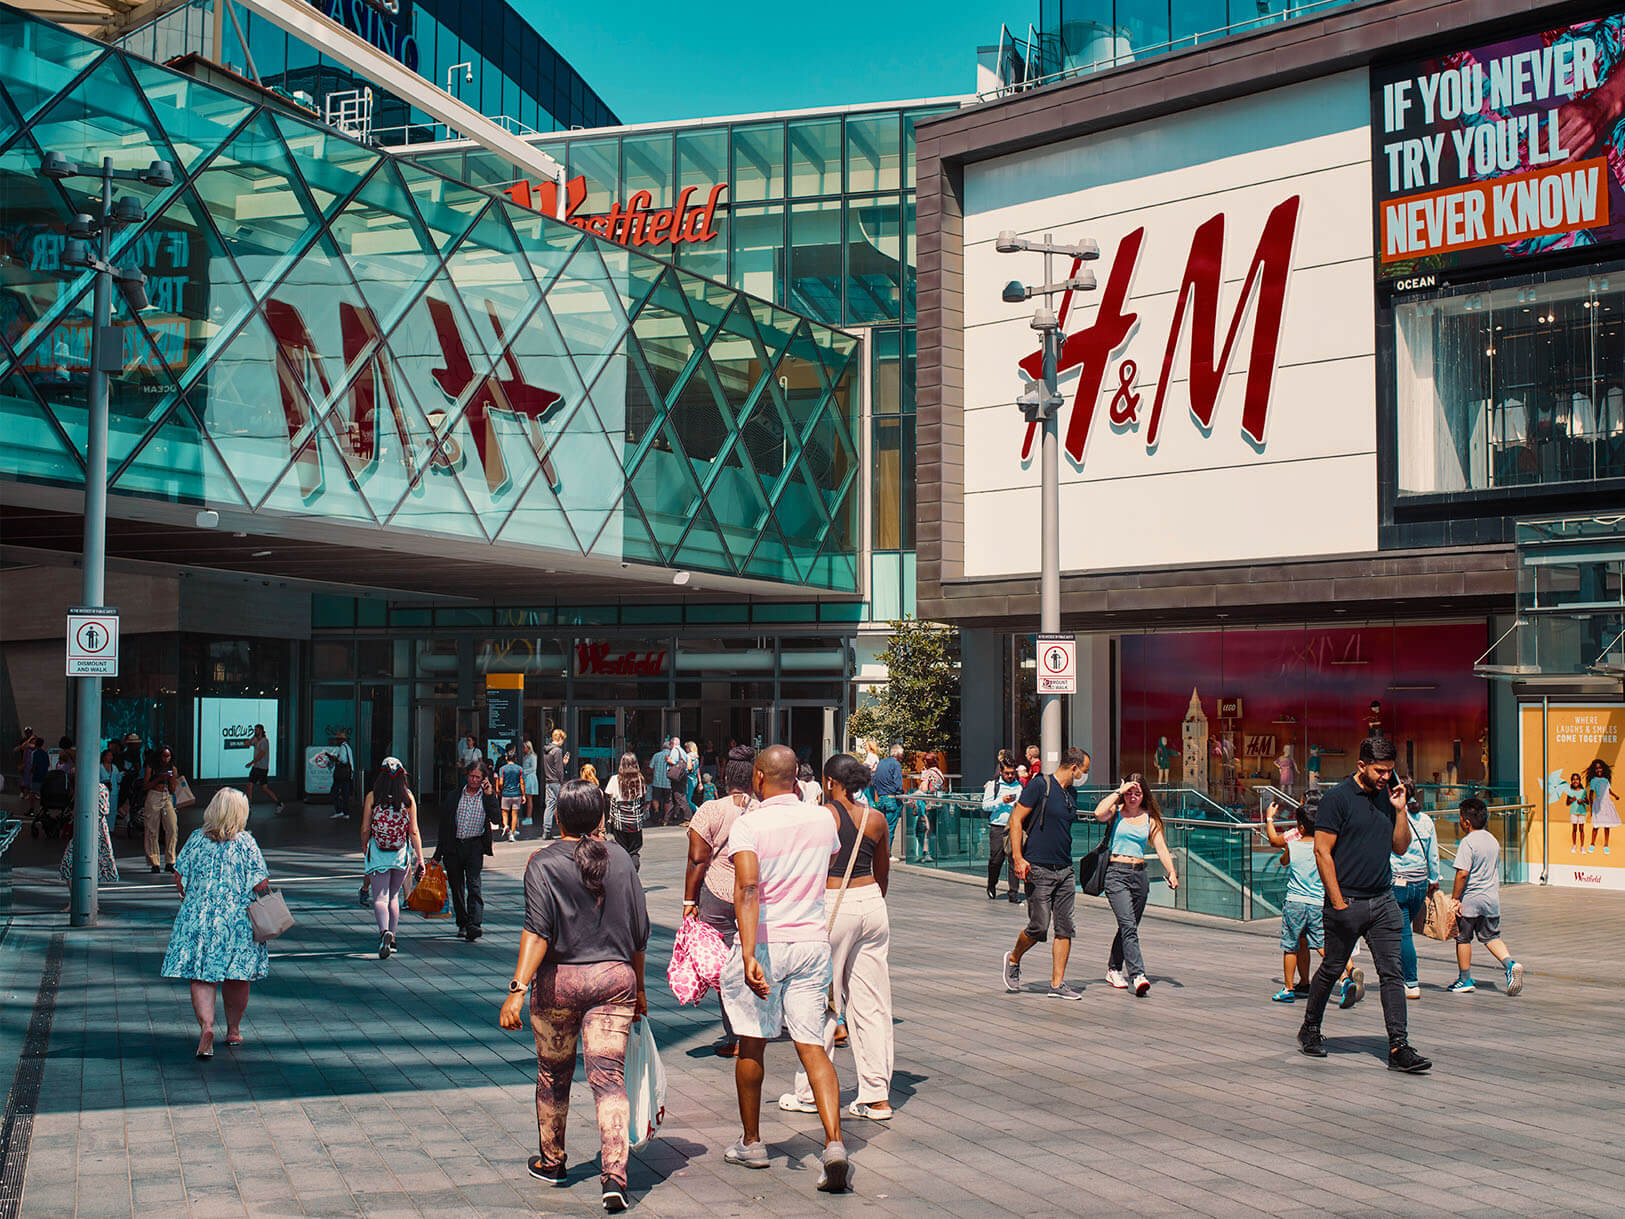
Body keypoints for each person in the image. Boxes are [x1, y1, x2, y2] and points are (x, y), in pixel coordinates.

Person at [499, 780, 649, 1213]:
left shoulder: (542, 863)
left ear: (558, 818)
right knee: (608, 1079)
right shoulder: (620, 858)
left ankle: (552, 1161)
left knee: (553, 1076)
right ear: (602, 818)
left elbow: (537, 932)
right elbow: (639, 935)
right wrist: (639, 990)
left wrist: (516, 989)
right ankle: (615, 1176)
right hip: (614, 981)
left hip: (558, 984)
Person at [721, 744, 850, 1192]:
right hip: (812, 942)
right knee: (812, 1045)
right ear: (795, 778)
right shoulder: (822, 818)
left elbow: (749, 887)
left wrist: (751, 952)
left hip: (769, 945)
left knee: (752, 1044)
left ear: (758, 778)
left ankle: (752, 1143)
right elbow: (827, 863)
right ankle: (834, 1145)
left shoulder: (749, 824)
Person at [1295, 736, 1432, 1074]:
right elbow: (1322, 852)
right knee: (1332, 967)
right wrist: (1339, 903)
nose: (1386, 777)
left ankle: (1399, 1046)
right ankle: (1310, 1028)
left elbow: (1400, 848)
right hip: (1348, 902)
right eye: (1379, 770)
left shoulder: (1389, 799)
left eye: (1389, 771)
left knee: (1392, 973)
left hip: (1384, 899)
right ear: (1361, 766)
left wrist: (1400, 811)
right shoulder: (1337, 800)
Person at [781, 753, 893, 1121]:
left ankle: (811, 1092)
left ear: (829, 782)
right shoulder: (875, 818)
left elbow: (806, 867)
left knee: (821, 999)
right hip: (872, 904)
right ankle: (876, 1096)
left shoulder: (820, 816)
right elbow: (882, 871)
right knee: (872, 1003)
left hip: (832, 904)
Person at [160, 788, 271, 1059]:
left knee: (201, 977)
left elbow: (180, 877)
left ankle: (207, 1026)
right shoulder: (246, 843)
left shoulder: (196, 839)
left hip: (199, 919)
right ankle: (233, 1030)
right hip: (237, 921)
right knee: (237, 976)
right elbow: (260, 883)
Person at [1000, 748, 1092, 1000]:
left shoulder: (1070, 793)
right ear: (1073, 768)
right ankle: (1014, 958)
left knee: (1065, 928)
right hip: (1037, 867)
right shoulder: (1039, 785)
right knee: (1039, 926)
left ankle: (1057, 984)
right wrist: (1019, 858)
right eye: (1084, 771)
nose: (1085, 776)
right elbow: (1016, 819)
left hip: (1065, 869)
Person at [685, 743, 756, 1058]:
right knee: (753, 960)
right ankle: (757, 1028)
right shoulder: (762, 811)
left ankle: (736, 1034)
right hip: (754, 895)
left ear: (726, 775)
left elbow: (698, 860)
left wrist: (689, 901)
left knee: (724, 970)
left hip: (715, 894)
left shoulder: (711, 810)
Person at [1090, 773, 1179, 995]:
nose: (1133, 797)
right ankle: (1138, 974)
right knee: (1128, 925)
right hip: (1116, 875)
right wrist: (1119, 791)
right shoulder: (1115, 814)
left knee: (1128, 926)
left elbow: (1161, 848)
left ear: (1144, 795)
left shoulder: (1151, 819)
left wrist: (1172, 872)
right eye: (1129, 792)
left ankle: (1113, 968)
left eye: (1137, 793)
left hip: (1139, 876)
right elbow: (1098, 812)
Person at [1449, 797, 1525, 996]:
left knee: (1463, 938)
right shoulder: (1493, 840)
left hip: (1470, 901)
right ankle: (1510, 964)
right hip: (1491, 899)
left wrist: (1455, 898)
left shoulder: (1467, 843)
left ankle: (1465, 979)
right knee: (1491, 937)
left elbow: (1462, 873)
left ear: (1466, 822)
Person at [361, 758, 426, 958]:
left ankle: (383, 933)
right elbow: (413, 831)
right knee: (394, 897)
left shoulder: (373, 797)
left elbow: (365, 828)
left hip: (378, 853)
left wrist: (365, 848)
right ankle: (394, 937)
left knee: (379, 898)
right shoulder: (408, 798)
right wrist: (420, 859)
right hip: (400, 854)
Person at [1264, 799, 1324, 1002]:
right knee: (1322, 945)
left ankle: (1288, 988)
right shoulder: (1325, 847)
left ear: (1300, 827)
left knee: (1291, 945)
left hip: (1295, 902)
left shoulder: (1293, 843)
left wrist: (1269, 818)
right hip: (1318, 902)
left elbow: (1280, 854)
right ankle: (1345, 977)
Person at [1390, 779, 1440, 1000]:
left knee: (1403, 935)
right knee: (1403, 931)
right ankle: (1401, 975)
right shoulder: (1426, 820)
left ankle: (1410, 981)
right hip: (1420, 883)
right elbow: (1433, 853)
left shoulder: (1394, 817)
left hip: (1398, 882)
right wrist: (1434, 879)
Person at [434, 761, 494, 943]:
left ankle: (475, 924)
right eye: (471, 776)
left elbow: (497, 817)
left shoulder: (486, 797)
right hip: (454, 846)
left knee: (474, 885)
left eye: (478, 777)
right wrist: (438, 854)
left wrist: (491, 796)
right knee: (457, 886)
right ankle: (462, 922)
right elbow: (444, 826)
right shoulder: (454, 796)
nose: (474, 780)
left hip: (474, 846)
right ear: (466, 776)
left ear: (484, 779)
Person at [59, 773, 119, 888]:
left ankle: (82, 899)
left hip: (91, 830)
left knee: (71, 862)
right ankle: (87, 899)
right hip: (94, 830)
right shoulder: (97, 788)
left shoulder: (94, 789)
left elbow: (103, 809)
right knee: (88, 864)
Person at [983, 756, 1024, 902]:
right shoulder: (993, 786)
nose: (1010, 776)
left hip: (1014, 826)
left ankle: (1013, 892)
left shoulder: (1019, 786)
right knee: (996, 859)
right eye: (1007, 773)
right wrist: (1001, 801)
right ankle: (991, 884)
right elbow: (985, 806)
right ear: (1001, 771)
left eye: (1012, 773)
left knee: (1014, 859)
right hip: (998, 827)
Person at [604, 752, 648, 871]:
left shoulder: (615, 779)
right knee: (634, 851)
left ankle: (623, 875)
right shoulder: (640, 780)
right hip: (635, 822)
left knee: (621, 850)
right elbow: (643, 798)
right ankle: (634, 873)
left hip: (619, 821)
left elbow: (610, 797)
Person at [143, 746, 181, 873]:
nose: (166, 759)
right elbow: (145, 786)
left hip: (167, 797)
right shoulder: (151, 767)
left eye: (168, 756)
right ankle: (154, 861)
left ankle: (170, 860)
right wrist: (159, 778)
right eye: (164, 756)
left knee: (172, 828)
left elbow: (173, 789)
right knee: (151, 829)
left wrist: (170, 779)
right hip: (154, 795)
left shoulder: (172, 768)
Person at [871, 744, 905, 863]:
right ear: (898, 754)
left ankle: (878, 852)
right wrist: (900, 793)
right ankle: (887, 854)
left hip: (881, 798)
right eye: (902, 754)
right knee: (890, 828)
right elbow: (898, 783)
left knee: (882, 828)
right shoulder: (896, 764)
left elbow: (874, 779)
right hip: (892, 797)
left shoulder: (881, 762)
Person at [913, 751, 945, 863]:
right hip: (937, 803)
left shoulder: (927, 773)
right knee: (931, 829)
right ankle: (931, 852)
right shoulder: (939, 772)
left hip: (927, 804)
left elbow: (924, 788)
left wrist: (915, 794)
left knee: (924, 829)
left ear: (926, 762)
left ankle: (925, 853)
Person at [244, 724, 284, 814]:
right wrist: (252, 738)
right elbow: (246, 744)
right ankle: (249, 806)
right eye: (255, 730)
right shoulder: (255, 740)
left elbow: (261, 754)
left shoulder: (264, 741)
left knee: (264, 788)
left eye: (257, 730)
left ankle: (279, 803)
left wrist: (251, 762)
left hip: (262, 768)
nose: (255, 731)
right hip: (256, 767)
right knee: (249, 785)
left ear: (261, 731)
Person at [1587, 758, 1619, 854]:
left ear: (1603, 769)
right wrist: (1592, 807)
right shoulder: (1593, 780)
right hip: (1598, 805)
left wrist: (1614, 795)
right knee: (1596, 826)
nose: (1599, 770)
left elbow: (1609, 790)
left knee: (1607, 826)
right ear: (1594, 770)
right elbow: (1591, 794)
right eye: (1596, 768)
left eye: (1600, 768)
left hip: (1607, 804)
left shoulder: (1606, 780)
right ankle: (1592, 844)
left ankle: (1606, 845)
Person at [542, 729, 569, 838]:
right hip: (556, 781)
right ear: (560, 739)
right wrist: (564, 765)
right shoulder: (557, 751)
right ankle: (567, 828)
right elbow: (558, 769)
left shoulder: (546, 750)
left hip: (548, 780)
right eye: (563, 739)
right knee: (563, 805)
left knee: (549, 805)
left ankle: (546, 830)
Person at [498, 748, 526, 843]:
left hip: (506, 793)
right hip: (516, 794)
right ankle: (512, 835)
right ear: (515, 758)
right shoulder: (519, 769)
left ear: (506, 758)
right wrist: (523, 795)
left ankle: (506, 825)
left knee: (504, 812)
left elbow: (500, 783)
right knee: (514, 815)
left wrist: (502, 790)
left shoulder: (502, 769)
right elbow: (522, 783)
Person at [327, 731, 355, 821]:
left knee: (335, 792)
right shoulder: (347, 747)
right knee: (344, 793)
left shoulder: (343, 747)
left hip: (341, 774)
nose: (336, 742)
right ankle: (345, 812)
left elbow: (343, 760)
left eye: (337, 740)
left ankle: (340, 811)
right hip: (346, 774)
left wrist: (333, 758)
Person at [665, 736, 692, 826]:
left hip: (677, 777)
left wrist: (668, 760)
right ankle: (667, 818)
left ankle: (688, 818)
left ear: (672, 743)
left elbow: (675, 762)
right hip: (682, 776)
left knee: (679, 797)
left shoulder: (675, 750)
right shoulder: (682, 751)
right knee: (673, 797)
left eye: (670, 743)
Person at [647, 738, 672, 826]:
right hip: (668, 782)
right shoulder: (672, 755)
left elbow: (650, 767)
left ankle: (657, 812)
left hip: (657, 781)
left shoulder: (656, 755)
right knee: (667, 800)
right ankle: (666, 817)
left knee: (656, 797)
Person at [1566, 772, 1591, 853]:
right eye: (1573, 779)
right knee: (1574, 829)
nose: (1575, 781)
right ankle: (1574, 845)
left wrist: (1582, 800)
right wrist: (1571, 800)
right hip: (1573, 812)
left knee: (1581, 829)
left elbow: (1587, 802)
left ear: (1580, 781)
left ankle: (1582, 846)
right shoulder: (1570, 791)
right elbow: (1567, 803)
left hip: (1582, 812)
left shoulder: (1583, 791)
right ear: (1571, 781)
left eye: (1577, 779)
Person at [521, 739, 539, 826]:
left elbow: (533, 768)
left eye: (524, 747)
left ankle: (529, 818)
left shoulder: (532, 756)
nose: (523, 749)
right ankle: (527, 817)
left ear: (528, 747)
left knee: (529, 798)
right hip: (525, 778)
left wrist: (523, 771)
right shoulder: (525, 756)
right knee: (526, 798)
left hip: (530, 778)